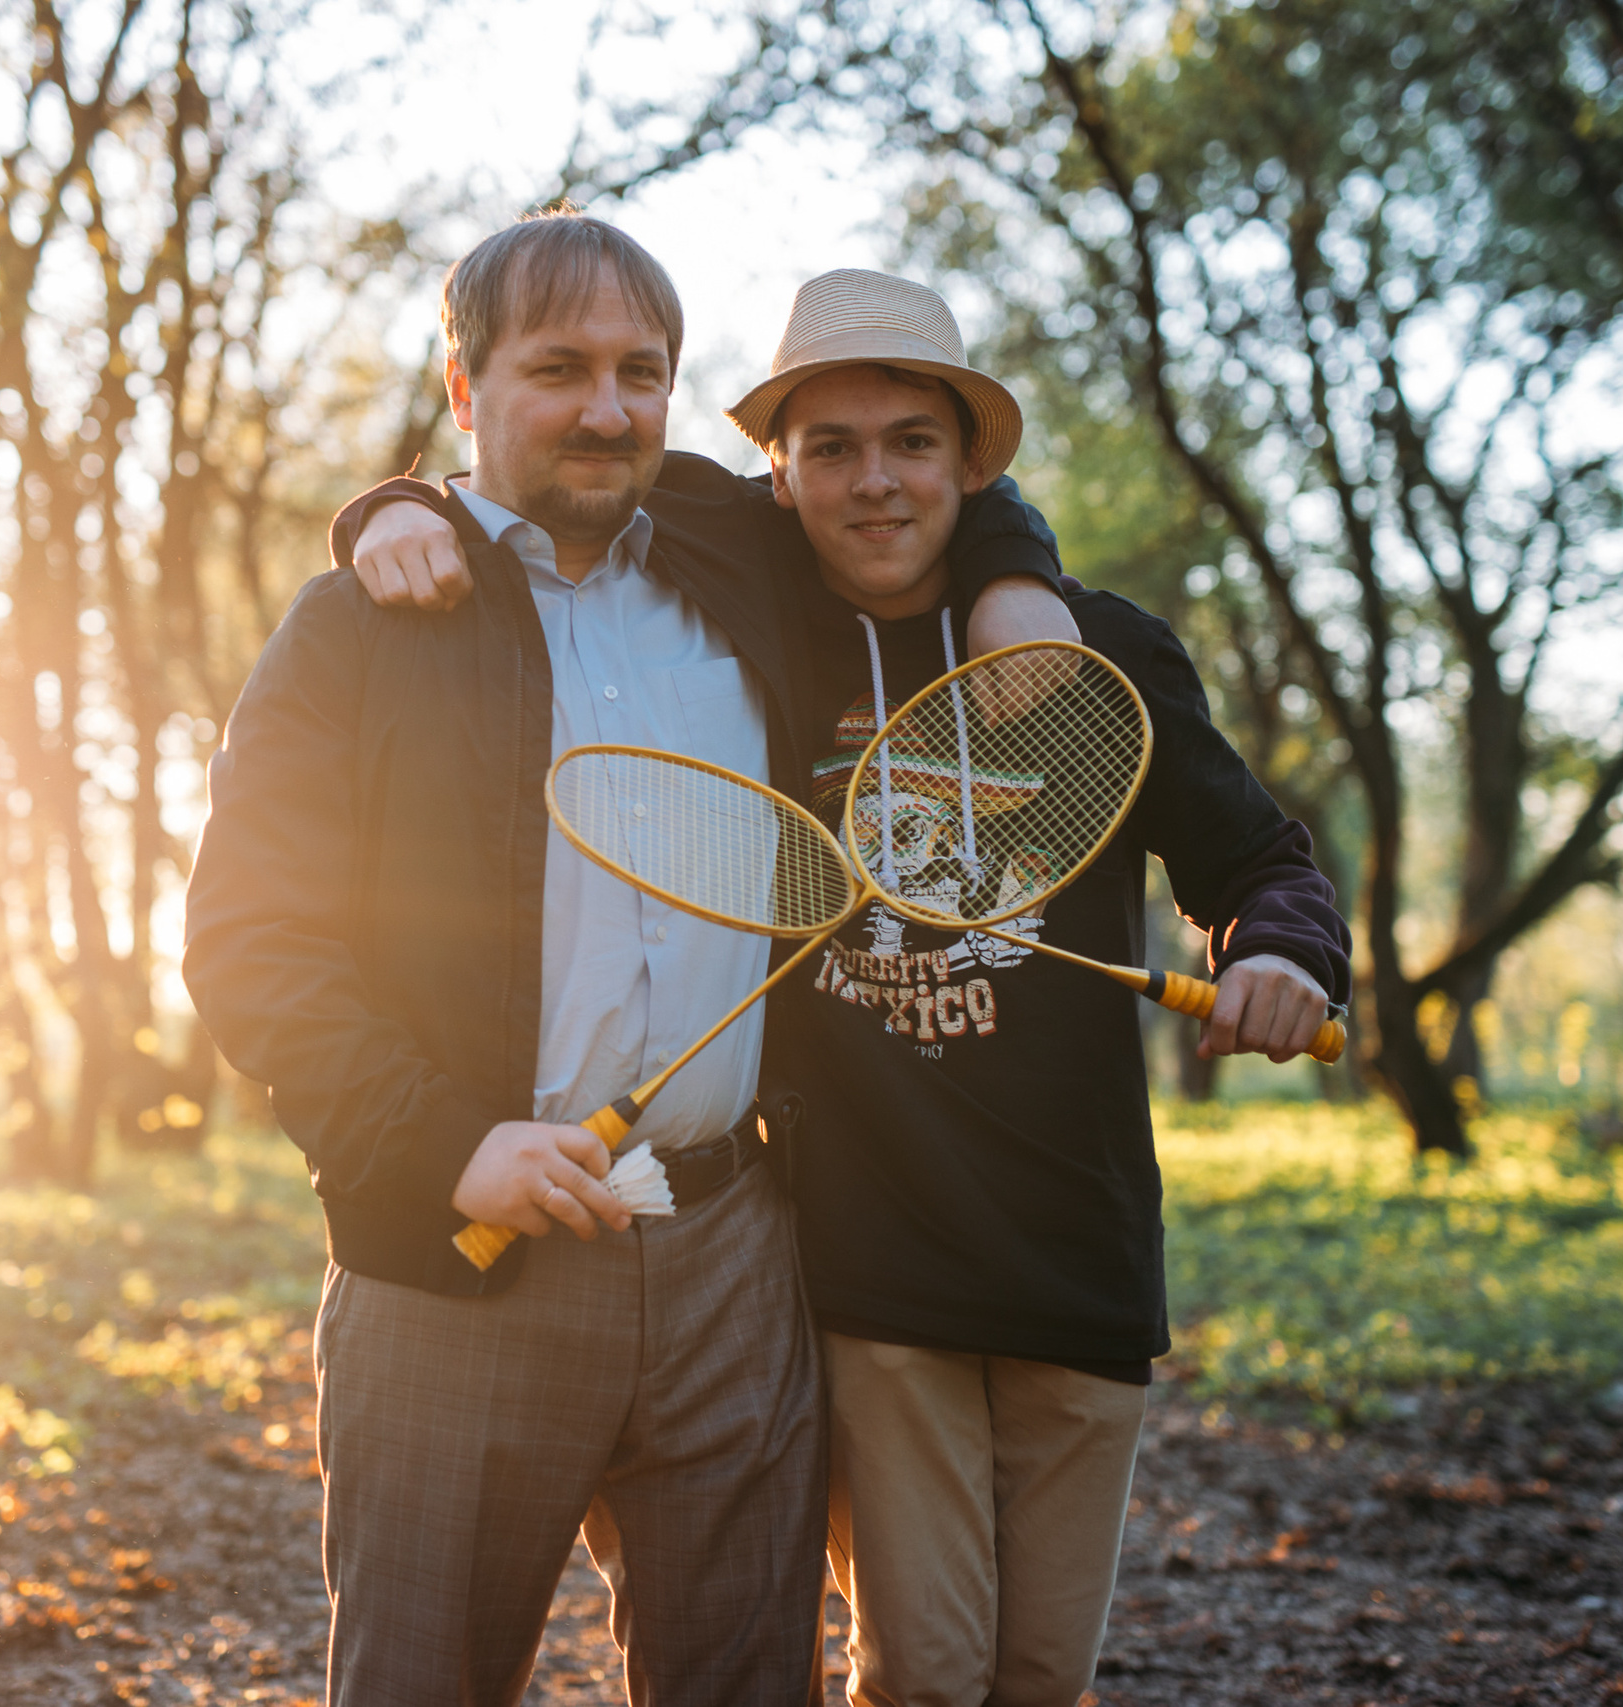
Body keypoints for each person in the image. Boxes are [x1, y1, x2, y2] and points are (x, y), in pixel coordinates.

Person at [342, 268, 1354, 1706]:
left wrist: (1282, 954)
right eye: (829, 449)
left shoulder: (1094, 649)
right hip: (869, 1269)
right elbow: (537, 477)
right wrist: (389, 510)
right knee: (924, 1677)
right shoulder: (755, 615)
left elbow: (1262, 862)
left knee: (1037, 1680)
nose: (873, 484)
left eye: (915, 445)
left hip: (1081, 1261)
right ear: (775, 474)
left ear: (975, 462)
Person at [185, 218, 1076, 1706]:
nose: (607, 408)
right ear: (464, 391)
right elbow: (248, 944)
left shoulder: (746, 552)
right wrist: (443, 1148)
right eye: (559, 370)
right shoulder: (359, 627)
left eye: (640, 373)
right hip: (459, 1259)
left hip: (736, 1252)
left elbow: (912, 487)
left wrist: (1017, 574)